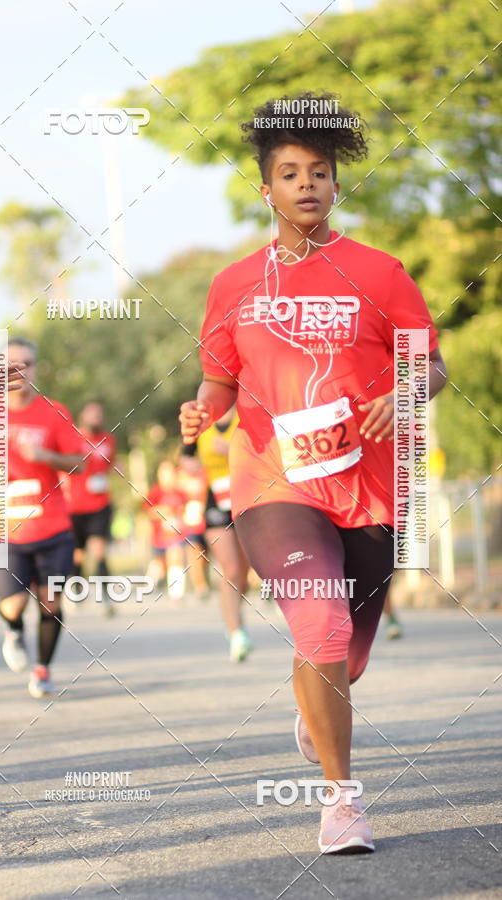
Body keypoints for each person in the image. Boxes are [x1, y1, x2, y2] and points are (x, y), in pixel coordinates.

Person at [180, 92, 447, 854]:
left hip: (371, 488)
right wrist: (203, 409)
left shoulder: (381, 272)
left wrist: (404, 390)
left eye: (319, 172)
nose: (306, 184)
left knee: (346, 655)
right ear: (265, 190)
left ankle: (318, 704)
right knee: (320, 621)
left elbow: (430, 364)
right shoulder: (234, 284)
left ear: (336, 186)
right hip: (274, 485)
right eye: (290, 173)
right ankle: (341, 802)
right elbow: (219, 378)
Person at [0, 338, 84, 698]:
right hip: (5, 527)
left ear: (35, 368)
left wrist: (45, 454)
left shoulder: (54, 410)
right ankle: (13, 628)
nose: (20, 370)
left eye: (27, 363)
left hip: (53, 524)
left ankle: (42, 670)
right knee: (12, 604)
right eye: (11, 364)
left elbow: (79, 462)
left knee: (51, 602)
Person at [181, 406, 253, 662]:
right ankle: (236, 633)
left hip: (246, 495)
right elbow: (185, 457)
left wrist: (235, 452)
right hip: (216, 501)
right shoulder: (201, 423)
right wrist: (196, 468)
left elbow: (267, 453)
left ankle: (234, 613)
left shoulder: (245, 416)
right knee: (231, 569)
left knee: (244, 574)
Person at [67, 402, 117, 615]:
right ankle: (77, 592)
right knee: (78, 554)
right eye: (92, 414)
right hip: (75, 505)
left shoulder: (109, 439)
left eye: (99, 414)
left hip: (100, 504)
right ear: (82, 416)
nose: (96, 417)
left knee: (99, 550)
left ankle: (105, 597)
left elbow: (110, 464)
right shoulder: (73, 438)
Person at [143, 461, 187, 604]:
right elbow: (148, 511)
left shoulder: (180, 492)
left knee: (176, 558)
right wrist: (162, 511)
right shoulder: (155, 492)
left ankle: (176, 594)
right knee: (160, 564)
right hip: (159, 536)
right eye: (164, 474)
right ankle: (150, 583)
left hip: (176, 534)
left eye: (169, 474)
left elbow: (186, 509)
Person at [175, 451, 210, 599]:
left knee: (206, 555)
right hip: (189, 522)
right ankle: (200, 586)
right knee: (194, 551)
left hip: (208, 518)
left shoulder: (205, 473)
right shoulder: (178, 476)